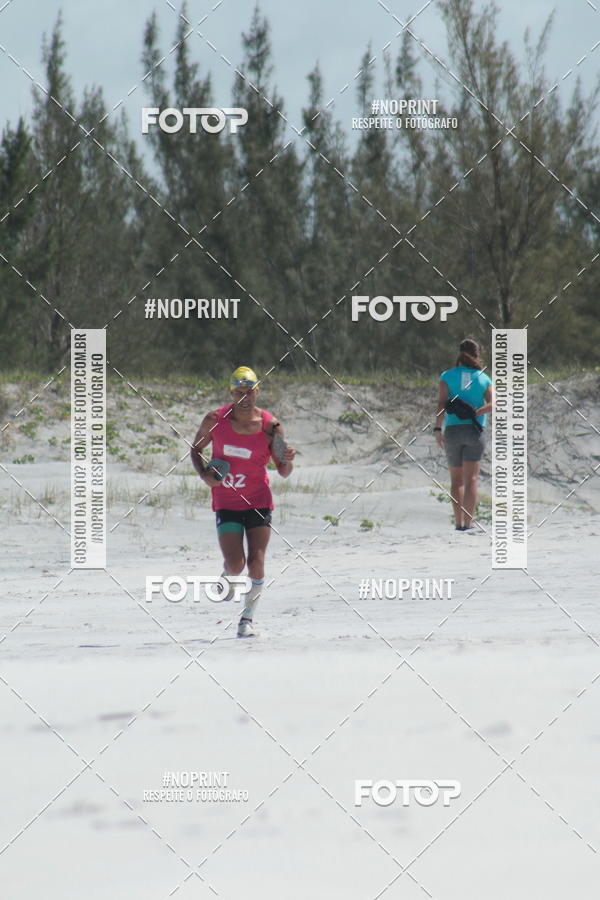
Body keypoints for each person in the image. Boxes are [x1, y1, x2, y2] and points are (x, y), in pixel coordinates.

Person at [190, 366, 295, 636]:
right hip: (226, 501)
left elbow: (283, 471)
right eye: (238, 392)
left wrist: (287, 459)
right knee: (236, 564)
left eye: (249, 392)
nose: (244, 397)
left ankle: (246, 620)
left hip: (259, 500)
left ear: (257, 392)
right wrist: (204, 474)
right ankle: (228, 576)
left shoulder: (271, 427)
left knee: (256, 562)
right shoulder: (215, 419)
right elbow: (196, 449)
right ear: (231, 393)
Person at [434, 339, 493, 531]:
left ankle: (458, 523)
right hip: (474, 431)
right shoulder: (483, 378)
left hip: (452, 431)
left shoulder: (447, 376)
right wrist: (476, 412)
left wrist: (437, 429)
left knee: (456, 480)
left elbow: (441, 404)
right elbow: (493, 404)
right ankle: (468, 523)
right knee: (471, 480)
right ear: (477, 355)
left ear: (459, 353)